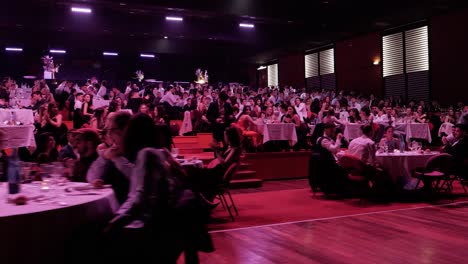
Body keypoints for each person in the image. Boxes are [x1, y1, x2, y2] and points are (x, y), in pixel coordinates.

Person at [87, 111, 132, 204]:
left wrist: (116, 158)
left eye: (112, 130)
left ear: (124, 130)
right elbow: (90, 177)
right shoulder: (112, 150)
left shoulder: (138, 151)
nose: (109, 134)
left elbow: (138, 179)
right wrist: (104, 157)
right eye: (107, 130)